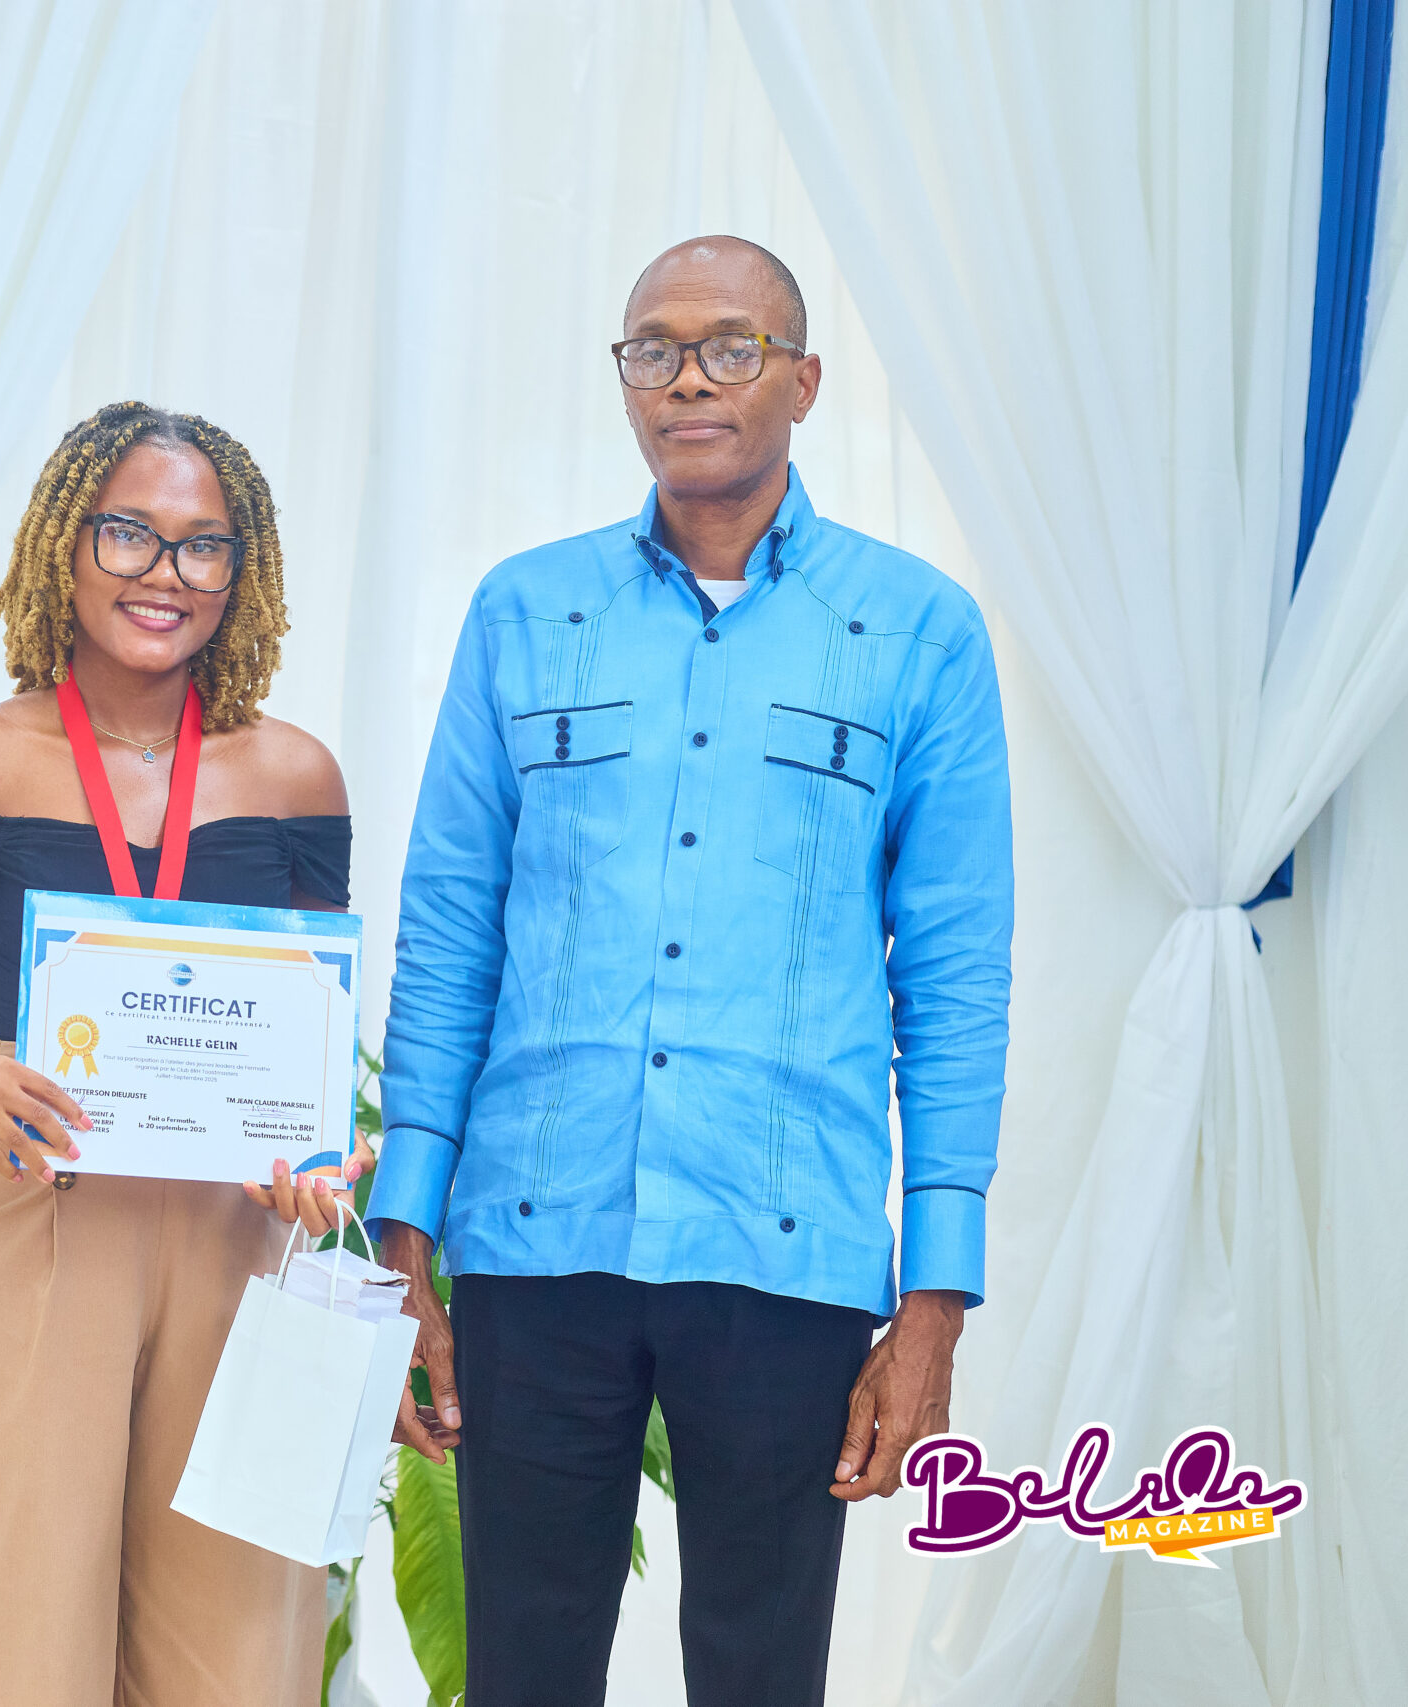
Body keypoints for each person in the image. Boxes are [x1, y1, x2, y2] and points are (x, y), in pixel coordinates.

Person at [367, 236, 1014, 1707]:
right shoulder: (526, 613)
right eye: (652, 350)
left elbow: (956, 975)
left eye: (731, 347)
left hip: (782, 1244)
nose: (688, 381)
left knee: (759, 1675)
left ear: (804, 381)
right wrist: (406, 1228)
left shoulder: (918, 632)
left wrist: (936, 1295)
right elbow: (454, 921)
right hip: (536, 1237)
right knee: (524, 1674)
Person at [0, 402, 358, 1707]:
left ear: (240, 571)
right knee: (12, 1643)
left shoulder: (296, 778)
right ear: (65, 544)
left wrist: (318, 1154)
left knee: (242, 1655)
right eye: (129, 533)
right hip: (37, 1211)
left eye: (202, 544)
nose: (164, 574)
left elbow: (307, 1022)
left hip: (238, 1234)